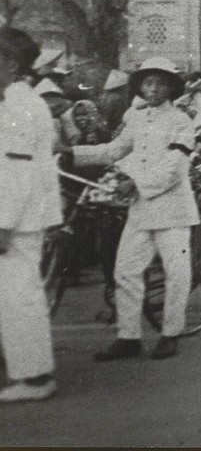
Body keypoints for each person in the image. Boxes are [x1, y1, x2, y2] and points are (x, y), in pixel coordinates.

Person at [71, 58, 198, 362]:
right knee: (125, 271)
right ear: (140, 85)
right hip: (141, 211)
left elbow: (174, 168)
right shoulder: (137, 119)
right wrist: (71, 154)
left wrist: (136, 184)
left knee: (175, 273)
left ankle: (170, 334)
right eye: (148, 83)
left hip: (172, 209)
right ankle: (128, 336)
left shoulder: (181, 121)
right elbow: (113, 150)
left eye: (160, 83)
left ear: (171, 88)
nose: (153, 89)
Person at [0, 28, 61, 402]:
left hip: (16, 219)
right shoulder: (16, 102)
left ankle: (35, 377)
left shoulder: (20, 106)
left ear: (10, 64)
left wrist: (3, 223)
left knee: (20, 296)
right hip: (18, 215)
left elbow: (17, 172)